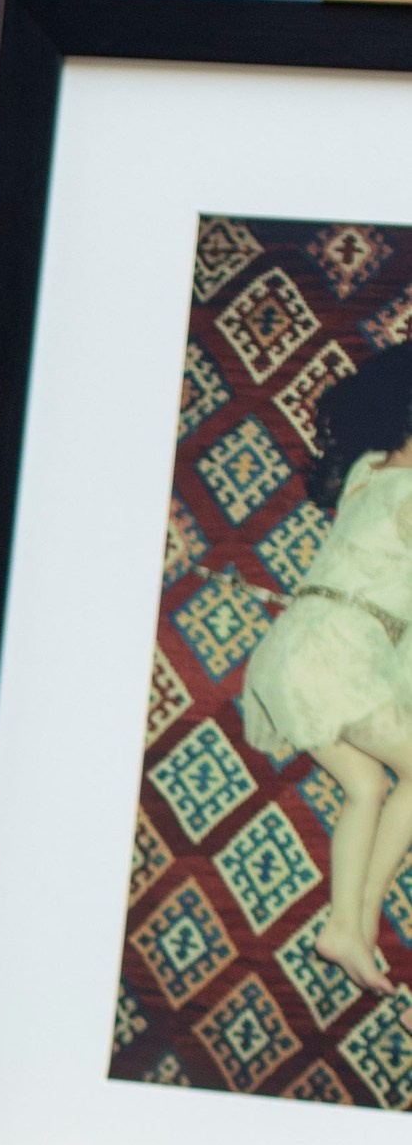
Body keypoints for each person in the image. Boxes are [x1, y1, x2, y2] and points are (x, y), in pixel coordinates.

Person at [240, 347, 412, 989]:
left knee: (366, 786)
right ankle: (359, 917)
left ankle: (345, 931)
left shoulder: (368, 468)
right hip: (338, 654)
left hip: (291, 654)